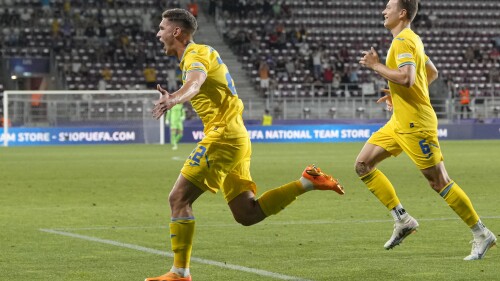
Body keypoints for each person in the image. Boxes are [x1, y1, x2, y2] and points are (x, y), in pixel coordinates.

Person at [146, 9, 345, 281]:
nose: (158, 33)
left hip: (223, 136)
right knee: (246, 213)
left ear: (176, 32)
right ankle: (307, 181)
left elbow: (195, 83)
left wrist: (174, 99)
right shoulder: (200, 54)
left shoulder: (196, 55)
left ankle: (180, 273)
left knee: (178, 198)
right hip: (236, 136)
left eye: (162, 28)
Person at [356, 0, 496, 261]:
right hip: (399, 121)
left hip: (416, 125)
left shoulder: (403, 42)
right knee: (363, 165)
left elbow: (408, 78)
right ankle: (403, 220)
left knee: (439, 181)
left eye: (388, 7)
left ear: (402, 13)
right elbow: (431, 72)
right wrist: (397, 96)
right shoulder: (411, 40)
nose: (383, 11)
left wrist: (376, 66)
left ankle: (482, 233)